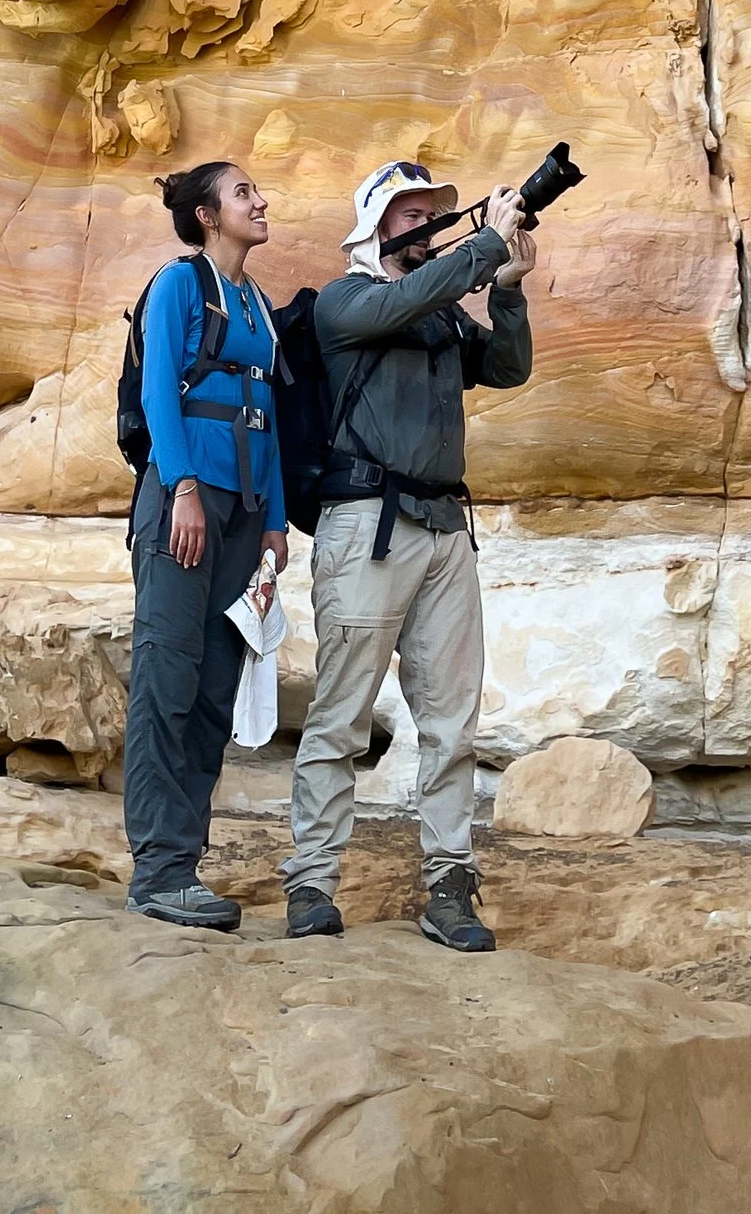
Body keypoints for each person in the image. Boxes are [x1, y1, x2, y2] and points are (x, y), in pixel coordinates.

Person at [282, 156, 535, 952]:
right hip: (365, 524)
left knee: (451, 718)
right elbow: (405, 298)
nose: (425, 222)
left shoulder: (436, 311)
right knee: (341, 713)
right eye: (410, 210)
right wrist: (485, 245)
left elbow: (507, 366)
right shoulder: (348, 300)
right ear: (378, 222)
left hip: (440, 526)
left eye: (434, 209)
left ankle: (451, 885)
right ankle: (312, 883)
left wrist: (510, 285)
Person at [122, 159, 288, 930]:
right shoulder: (179, 284)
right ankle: (158, 868)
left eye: (256, 190)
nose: (260, 201)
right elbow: (161, 391)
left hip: (244, 514)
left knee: (215, 689)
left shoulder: (256, 301)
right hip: (181, 502)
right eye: (243, 193)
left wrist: (277, 524)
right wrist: (184, 488)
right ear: (207, 216)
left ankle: (183, 865)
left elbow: (268, 419)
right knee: (168, 675)